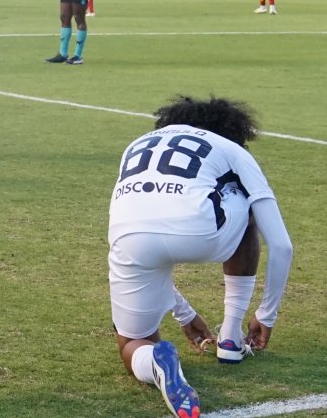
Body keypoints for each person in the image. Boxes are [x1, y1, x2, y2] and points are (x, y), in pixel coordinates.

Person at [108, 96, 293, 418]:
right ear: (232, 130)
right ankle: (231, 338)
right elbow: (281, 244)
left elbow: (148, 242)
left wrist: (184, 314)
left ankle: (154, 362)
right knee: (247, 206)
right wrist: (267, 314)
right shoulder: (230, 148)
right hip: (204, 233)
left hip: (128, 238)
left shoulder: (136, 145)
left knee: (133, 342)